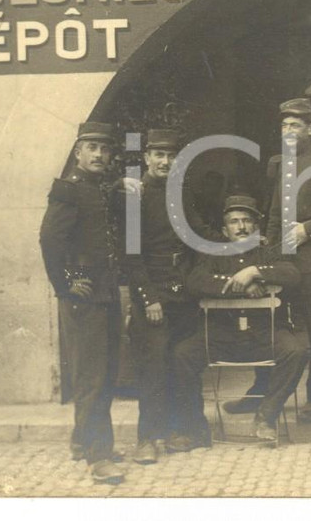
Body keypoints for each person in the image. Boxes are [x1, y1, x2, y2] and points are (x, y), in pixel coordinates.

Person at [176, 195, 310, 441]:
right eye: (234, 222)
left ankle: (266, 416)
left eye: (247, 221)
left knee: (297, 352)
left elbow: (292, 274)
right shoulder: (213, 256)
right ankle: (195, 427)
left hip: (264, 334)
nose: (241, 227)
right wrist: (239, 284)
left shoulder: (267, 254)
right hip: (221, 336)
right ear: (225, 231)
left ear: (255, 227)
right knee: (181, 355)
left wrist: (254, 272)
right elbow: (195, 282)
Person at [125, 129, 221, 462]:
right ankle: (148, 438)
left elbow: (200, 235)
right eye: (158, 155)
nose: (165, 162)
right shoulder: (135, 196)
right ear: (147, 158)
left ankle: (186, 430)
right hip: (154, 293)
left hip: (184, 291)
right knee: (152, 367)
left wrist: (241, 243)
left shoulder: (180, 193)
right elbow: (131, 256)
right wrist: (148, 297)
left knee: (184, 363)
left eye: (171, 156)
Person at [39, 121, 125, 485]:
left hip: (105, 293)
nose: (99, 155)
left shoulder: (97, 189)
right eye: (92, 148)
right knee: (92, 376)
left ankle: (81, 441)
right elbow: (49, 241)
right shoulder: (69, 190)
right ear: (78, 152)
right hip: (85, 298)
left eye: (105, 150)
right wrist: (67, 285)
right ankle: (99, 457)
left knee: (102, 372)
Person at [260, 98, 311, 424]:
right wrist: (267, 251)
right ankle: (271, 393)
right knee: (275, 325)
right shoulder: (282, 164)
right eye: (284, 126)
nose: (288, 131)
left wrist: (308, 229)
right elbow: (273, 212)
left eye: (295, 125)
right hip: (283, 259)